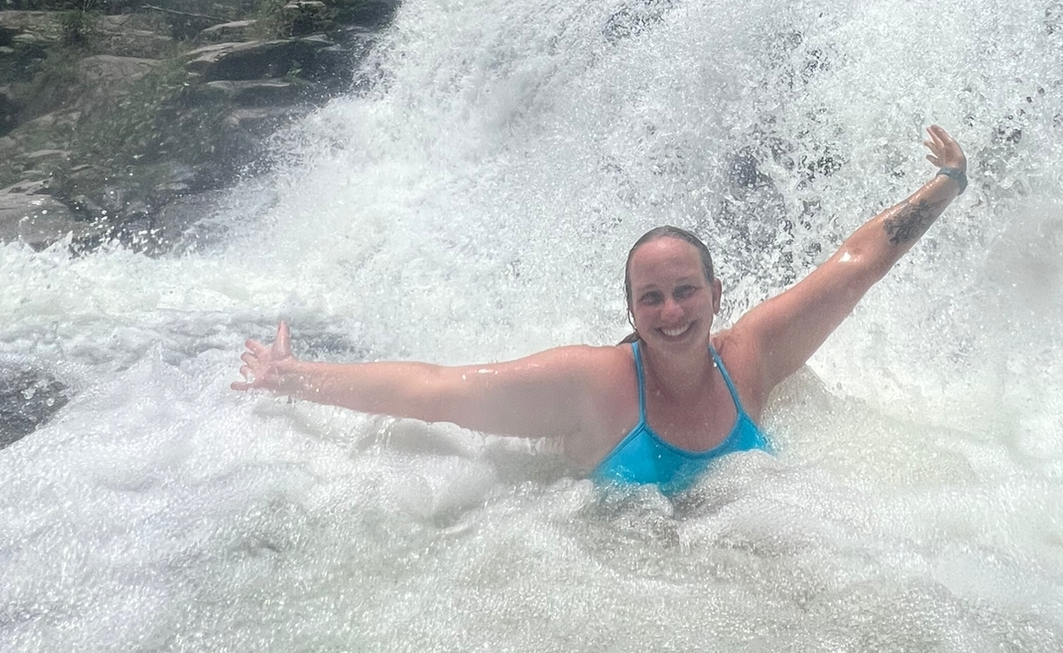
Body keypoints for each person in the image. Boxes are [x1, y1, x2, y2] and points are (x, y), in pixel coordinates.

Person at [235, 124, 968, 491]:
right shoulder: (594, 384)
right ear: (632, 310)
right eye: (651, 298)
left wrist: (948, 184)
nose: (672, 311)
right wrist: (294, 377)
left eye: (686, 291)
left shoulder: (750, 356)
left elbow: (854, 268)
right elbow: (434, 393)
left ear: (716, 295)